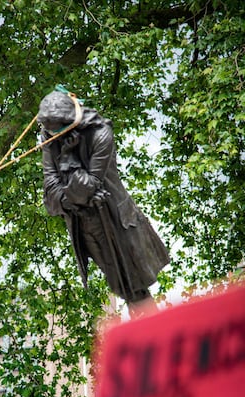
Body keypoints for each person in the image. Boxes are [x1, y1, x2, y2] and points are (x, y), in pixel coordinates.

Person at [37, 89, 170, 314]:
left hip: (116, 221)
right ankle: (149, 337)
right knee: (124, 290)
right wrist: (72, 200)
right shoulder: (49, 135)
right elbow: (50, 196)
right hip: (87, 226)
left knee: (135, 290)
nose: (50, 137)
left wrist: (69, 158)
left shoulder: (100, 133)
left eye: (54, 132)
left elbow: (89, 185)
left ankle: (155, 338)